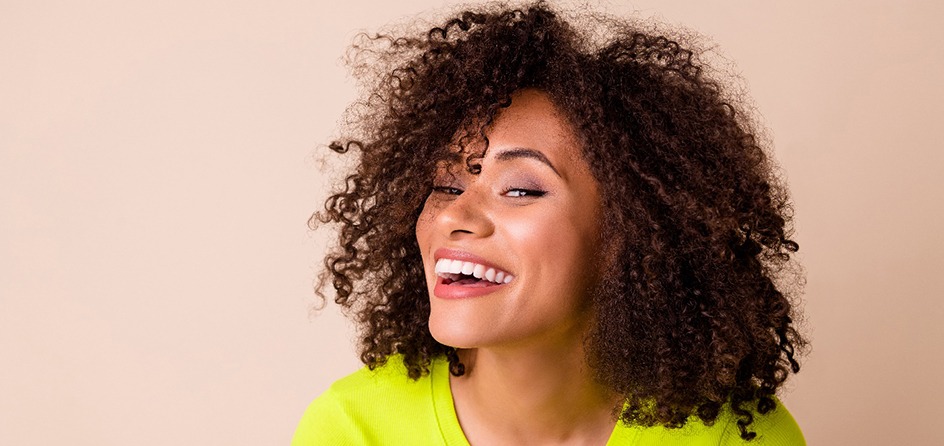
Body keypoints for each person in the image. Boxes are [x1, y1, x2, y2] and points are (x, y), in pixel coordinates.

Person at [295, 1, 807, 444]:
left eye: (520, 189)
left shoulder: (732, 439)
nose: (454, 214)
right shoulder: (351, 430)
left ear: (625, 233)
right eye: (447, 186)